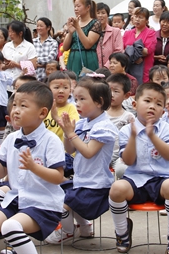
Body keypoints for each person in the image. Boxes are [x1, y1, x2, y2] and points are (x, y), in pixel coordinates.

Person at [0, 81, 66, 254]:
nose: (15, 110)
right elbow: (1, 172)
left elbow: (58, 177)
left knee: (10, 227)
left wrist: (34, 167)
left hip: (43, 204)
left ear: (42, 112)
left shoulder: (51, 140)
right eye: (14, 104)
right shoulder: (11, 138)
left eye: (23, 106)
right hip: (16, 199)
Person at [109, 82, 169, 254]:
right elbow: (128, 160)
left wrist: (152, 136)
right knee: (116, 188)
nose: (152, 106)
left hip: (163, 179)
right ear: (135, 104)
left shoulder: (166, 128)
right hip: (136, 179)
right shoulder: (127, 130)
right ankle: (122, 233)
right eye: (148, 101)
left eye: (158, 104)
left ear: (163, 110)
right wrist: (134, 137)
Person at [45, 77, 118, 243]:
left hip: (96, 185)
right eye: (75, 99)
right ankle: (85, 227)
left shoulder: (103, 126)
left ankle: (68, 231)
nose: (76, 103)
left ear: (99, 102)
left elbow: (88, 152)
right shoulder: (82, 123)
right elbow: (70, 150)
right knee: (65, 194)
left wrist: (71, 134)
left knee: (62, 204)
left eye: (82, 99)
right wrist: (66, 130)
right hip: (82, 180)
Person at [63, 0, 103, 77]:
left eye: (78, 6)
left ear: (88, 7)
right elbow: (65, 47)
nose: (76, 9)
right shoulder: (74, 23)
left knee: (88, 84)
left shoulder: (95, 23)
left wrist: (77, 27)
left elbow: (88, 44)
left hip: (88, 58)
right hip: (73, 58)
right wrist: (70, 32)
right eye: (74, 6)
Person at [106, 73, 135, 179]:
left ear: (126, 95)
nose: (111, 94)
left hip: (119, 155)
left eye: (116, 91)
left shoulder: (128, 117)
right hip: (100, 153)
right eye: (109, 90)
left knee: (122, 169)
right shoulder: (99, 113)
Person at [122, 7, 156, 83]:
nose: (137, 19)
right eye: (136, 17)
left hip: (144, 70)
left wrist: (129, 50)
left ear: (147, 20)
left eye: (140, 17)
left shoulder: (151, 33)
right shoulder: (127, 33)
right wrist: (136, 52)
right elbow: (122, 50)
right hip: (129, 68)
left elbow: (147, 51)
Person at [45, 71, 80, 142]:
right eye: (56, 87)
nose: (61, 91)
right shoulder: (45, 108)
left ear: (70, 91)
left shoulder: (72, 108)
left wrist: (56, 118)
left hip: (65, 150)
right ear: (48, 90)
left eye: (65, 87)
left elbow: (72, 128)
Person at [95, 3, 124, 70]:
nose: (100, 15)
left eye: (103, 13)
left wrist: (107, 66)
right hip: (95, 68)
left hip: (111, 69)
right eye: (98, 13)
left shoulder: (116, 31)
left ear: (107, 15)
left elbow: (118, 50)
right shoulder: (91, 32)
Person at [33, 17, 59, 82]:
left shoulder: (53, 42)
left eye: (41, 26)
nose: (38, 28)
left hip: (48, 77)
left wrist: (35, 60)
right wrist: (41, 63)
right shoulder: (32, 42)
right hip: (34, 76)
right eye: (37, 26)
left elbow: (50, 58)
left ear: (48, 28)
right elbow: (28, 58)